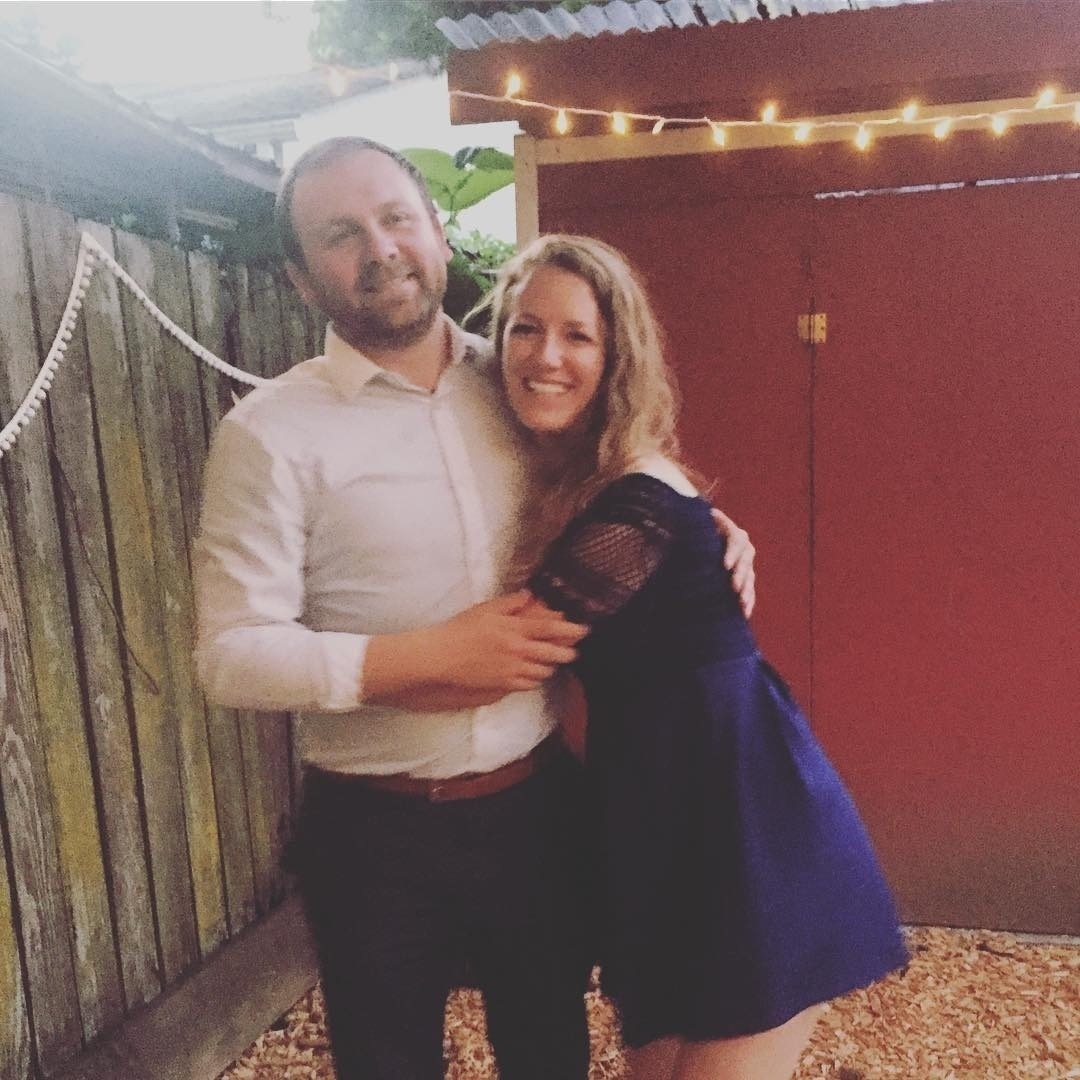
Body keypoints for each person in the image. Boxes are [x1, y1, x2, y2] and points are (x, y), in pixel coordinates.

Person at [192, 137, 756, 1080]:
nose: (379, 249)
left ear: (438, 233)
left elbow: (625, 470)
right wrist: (423, 658)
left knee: (550, 1055)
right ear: (299, 276)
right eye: (340, 234)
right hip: (371, 834)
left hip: (537, 809)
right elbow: (231, 653)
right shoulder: (268, 436)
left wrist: (707, 530)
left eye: (395, 218)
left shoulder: (525, 379)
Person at [478, 234, 910, 1080]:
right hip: (670, 835)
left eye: (577, 335)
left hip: (747, 836)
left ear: (618, 358)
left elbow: (502, 648)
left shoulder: (632, 503)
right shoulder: (591, 483)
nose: (546, 355)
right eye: (524, 329)